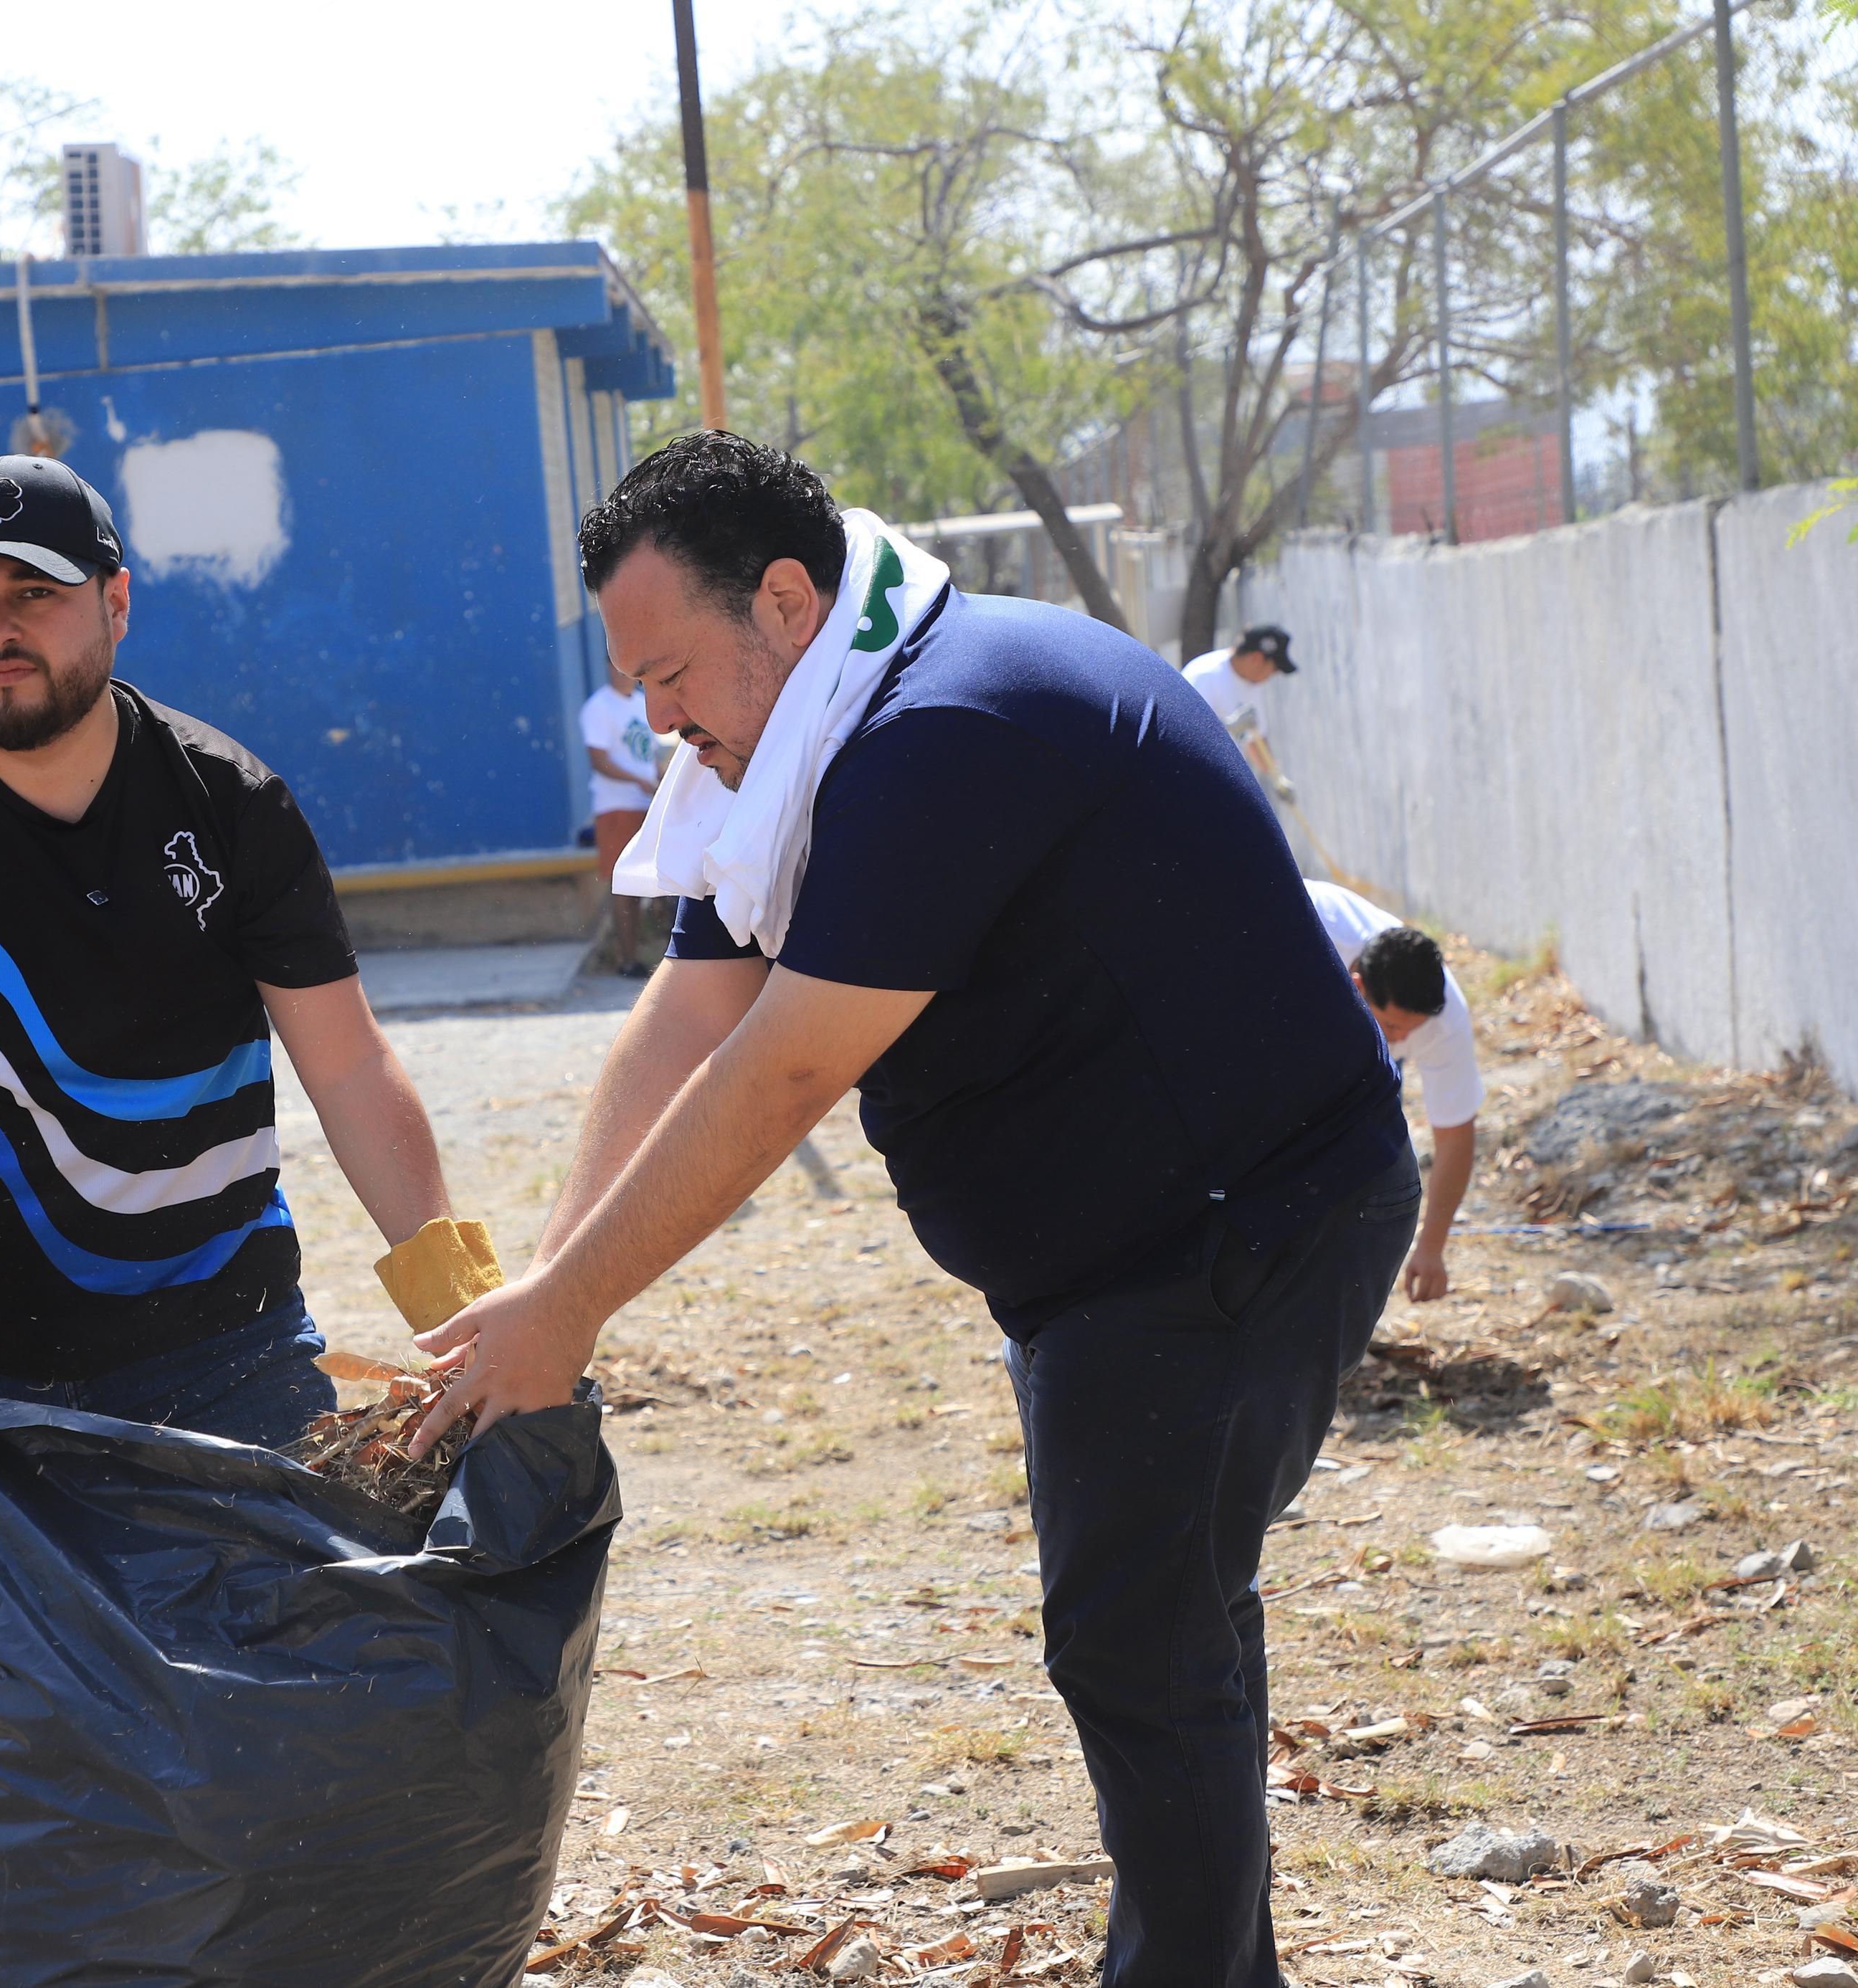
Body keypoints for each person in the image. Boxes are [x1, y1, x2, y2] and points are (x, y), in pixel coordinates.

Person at [407, 431, 1416, 1988]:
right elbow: (687, 1015)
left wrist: (569, 1314)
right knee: (1170, 1613)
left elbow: (782, 1068)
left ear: (788, 603)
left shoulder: (947, 729)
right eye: (638, 687)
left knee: (1137, 1639)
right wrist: (544, 1288)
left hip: (1232, 1228)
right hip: (1122, 1247)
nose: (657, 721)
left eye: (670, 672)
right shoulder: (801, 739)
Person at [0, 452, 494, 1740]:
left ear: (118, 601)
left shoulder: (229, 803)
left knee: (300, 1742)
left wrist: (452, 1298)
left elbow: (347, 1061)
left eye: (35, 591)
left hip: (234, 1360)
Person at [1308, 879, 1483, 1302]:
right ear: (1357, 987)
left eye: (1408, 1033)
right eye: (1389, 1028)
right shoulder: (1308, 933)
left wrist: (1431, 1247)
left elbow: (1456, 1136)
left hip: (1345, 1028)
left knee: (1368, 1154)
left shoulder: (1445, 1022)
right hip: (1293, 998)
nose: (1397, 1039)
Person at [580, 656, 669, 974]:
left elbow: (648, 755)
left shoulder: (640, 703)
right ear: (608, 665)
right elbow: (599, 760)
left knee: (653, 884)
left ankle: (655, 958)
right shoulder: (598, 708)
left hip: (646, 803)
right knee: (623, 887)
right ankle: (627, 960)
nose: (623, 673)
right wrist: (637, 780)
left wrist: (660, 779)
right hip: (616, 806)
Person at [1181, 624, 1298, 798]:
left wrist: (1278, 778)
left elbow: (1255, 740)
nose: (1270, 676)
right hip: (1194, 781)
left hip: (1225, 782)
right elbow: (1185, 735)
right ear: (1256, 659)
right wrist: (1228, 727)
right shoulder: (1204, 675)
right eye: (1273, 670)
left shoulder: (1251, 683)